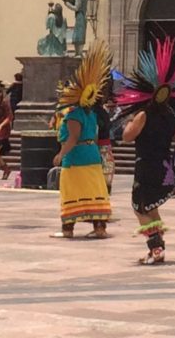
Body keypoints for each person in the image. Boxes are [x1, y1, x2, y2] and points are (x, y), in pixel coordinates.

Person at [116, 36, 175, 264]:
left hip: (147, 166)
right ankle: (157, 246)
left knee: (140, 207)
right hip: (166, 168)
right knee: (152, 206)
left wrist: (128, 122)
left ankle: (155, 247)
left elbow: (127, 137)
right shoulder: (172, 118)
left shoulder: (143, 115)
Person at [52, 40, 112, 238]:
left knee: (71, 191)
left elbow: (73, 138)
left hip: (76, 158)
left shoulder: (74, 115)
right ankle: (99, 227)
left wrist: (61, 154)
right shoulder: (90, 114)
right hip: (92, 155)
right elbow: (93, 136)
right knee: (94, 189)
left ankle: (67, 229)